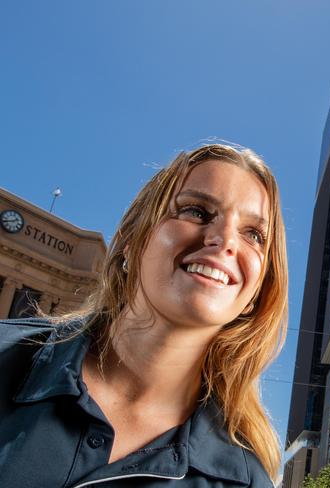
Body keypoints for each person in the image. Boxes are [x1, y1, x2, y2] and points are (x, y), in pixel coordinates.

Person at [0, 144, 288, 487]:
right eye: (196, 211)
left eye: (253, 234)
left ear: (257, 292)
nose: (224, 240)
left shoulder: (244, 481)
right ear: (130, 240)